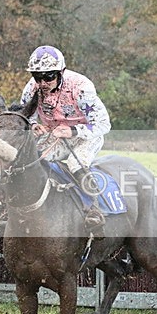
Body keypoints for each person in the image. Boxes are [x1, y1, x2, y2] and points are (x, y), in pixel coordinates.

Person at [19, 45, 111, 230]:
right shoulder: (31, 88)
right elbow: (25, 115)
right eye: (37, 77)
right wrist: (34, 126)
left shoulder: (81, 87)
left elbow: (103, 124)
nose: (43, 83)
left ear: (61, 72)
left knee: (75, 163)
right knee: (33, 159)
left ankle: (95, 208)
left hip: (86, 135)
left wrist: (73, 131)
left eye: (49, 77)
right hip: (56, 135)